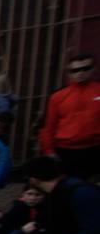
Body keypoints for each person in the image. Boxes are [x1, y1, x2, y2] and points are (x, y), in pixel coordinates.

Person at [39, 53, 100, 181]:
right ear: (69, 73)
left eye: (86, 68)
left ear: (93, 69)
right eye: (76, 70)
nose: (81, 73)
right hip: (66, 151)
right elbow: (48, 126)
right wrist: (49, 151)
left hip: (95, 149)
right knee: (66, 187)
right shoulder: (58, 96)